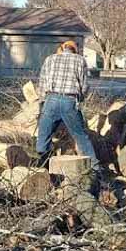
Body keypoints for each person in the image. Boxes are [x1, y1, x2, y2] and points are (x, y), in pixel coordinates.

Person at [35, 40, 99, 173]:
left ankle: (44, 168)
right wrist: (80, 99)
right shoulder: (80, 60)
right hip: (70, 101)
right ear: (75, 50)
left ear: (63, 48)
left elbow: (41, 83)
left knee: (43, 137)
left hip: (51, 99)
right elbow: (84, 86)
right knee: (81, 136)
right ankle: (95, 169)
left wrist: (43, 101)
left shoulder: (50, 59)